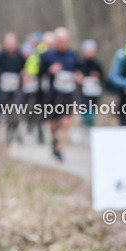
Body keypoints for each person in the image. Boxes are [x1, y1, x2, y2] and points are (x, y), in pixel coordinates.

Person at [39, 27, 79, 160]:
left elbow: (79, 70)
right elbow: (39, 73)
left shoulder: (72, 55)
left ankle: (60, 148)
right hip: (53, 95)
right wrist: (50, 70)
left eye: (64, 40)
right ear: (55, 41)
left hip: (68, 94)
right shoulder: (48, 55)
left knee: (66, 121)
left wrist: (78, 76)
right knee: (53, 123)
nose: (62, 43)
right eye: (59, 41)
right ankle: (54, 141)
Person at [0, 33, 26, 144]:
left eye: (12, 43)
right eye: (8, 43)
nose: (10, 46)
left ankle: (11, 133)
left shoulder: (20, 57)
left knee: (16, 112)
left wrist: (26, 76)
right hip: (2, 89)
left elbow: (25, 70)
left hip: (16, 89)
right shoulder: (0, 55)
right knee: (1, 110)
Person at [76, 39, 104, 129]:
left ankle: (90, 129)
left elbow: (103, 78)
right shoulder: (80, 63)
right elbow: (76, 76)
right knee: (85, 114)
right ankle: (84, 128)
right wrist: (80, 79)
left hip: (94, 95)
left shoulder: (97, 64)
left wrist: (97, 77)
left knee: (92, 114)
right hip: (83, 95)